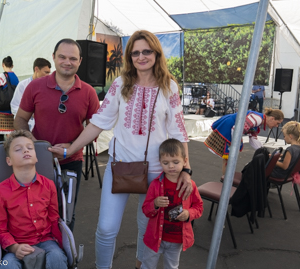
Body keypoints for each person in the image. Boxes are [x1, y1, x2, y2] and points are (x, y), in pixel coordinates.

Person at [48, 30, 193, 269]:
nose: (141, 57)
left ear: (156, 53)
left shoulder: (170, 87)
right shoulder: (121, 83)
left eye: (146, 51)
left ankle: (142, 264)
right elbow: (99, 121)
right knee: (106, 228)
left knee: (147, 226)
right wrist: (70, 149)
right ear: (129, 57)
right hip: (122, 165)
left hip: (158, 171)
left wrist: (186, 168)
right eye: (135, 52)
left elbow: (178, 131)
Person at [14, 39, 100, 231]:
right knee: (34, 211)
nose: (67, 62)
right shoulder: (35, 87)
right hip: (37, 161)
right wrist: (37, 146)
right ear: (53, 57)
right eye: (62, 57)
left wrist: (71, 148)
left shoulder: (88, 92)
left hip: (72, 162)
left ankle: (65, 257)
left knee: (66, 213)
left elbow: (94, 128)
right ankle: (38, 254)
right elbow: (20, 119)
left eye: (72, 58)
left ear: (80, 61)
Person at [0, 130, 67, 269]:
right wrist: (14, 247)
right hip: (17, 243)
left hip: (46, 240)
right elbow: (0, 228)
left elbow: (53, 218)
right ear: (9, 160)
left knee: (57, 257)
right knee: (8, 266)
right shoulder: (0, 191)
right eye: (18, 149)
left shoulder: (48, 185)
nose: (25, 150)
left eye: (30, 148)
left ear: (36, 157)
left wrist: (62, 245)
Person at [141, 139, 203, 269]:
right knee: (147, 266)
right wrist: (155, 204)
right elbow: (146, 210)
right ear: (160, 163)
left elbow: (199, 207)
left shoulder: (190, 186)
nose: (171, 166)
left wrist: (188, 214)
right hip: (155, 237)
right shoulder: (155, 185)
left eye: (176, 162)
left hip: (176, 240)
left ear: (185, 161)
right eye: (166, 163)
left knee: (172, 267)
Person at [204, 108, 284, 175]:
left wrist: (265, 152)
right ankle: (226, 183)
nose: (277, 126)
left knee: (229, 159)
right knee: (228, 159)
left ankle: (226, 182)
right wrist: (234, 146)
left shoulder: (259, 120)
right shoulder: (257, 119)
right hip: (227, 128)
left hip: (230, 128)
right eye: (277, 123)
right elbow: (236, 129)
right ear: (272, 118)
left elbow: (253, 140)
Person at [11, 58, 51, 131]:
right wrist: (29, 114)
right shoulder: (23, 85)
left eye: (49, 73)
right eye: (46, 72)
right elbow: (14, 106)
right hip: (27, 125)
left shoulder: (48, 86)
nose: (48, 75)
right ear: (36, 69)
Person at [0, 56, 19, 135]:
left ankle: (9, 146)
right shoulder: (15, 76)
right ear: (12, 66)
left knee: (8, 132)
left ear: (3, 65)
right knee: (13, 130)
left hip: (4, 106)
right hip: (13, 105)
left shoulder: (3, 75)